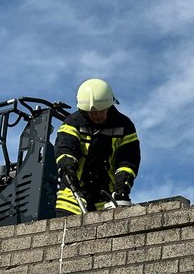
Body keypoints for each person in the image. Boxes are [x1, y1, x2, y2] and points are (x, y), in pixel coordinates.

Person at [54, 78, 140, 216]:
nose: (96, 115)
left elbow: (129, 159)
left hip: (108, 198)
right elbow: (65, 148)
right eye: (91, 112)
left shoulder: (125, 126)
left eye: (100, 110)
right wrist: (67, 167)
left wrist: (122, 185)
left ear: (109, 106)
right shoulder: (73, 123)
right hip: (72, 199)